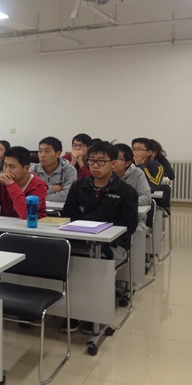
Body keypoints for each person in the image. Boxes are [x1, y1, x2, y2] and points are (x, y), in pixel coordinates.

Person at [61, 141, 138, 333]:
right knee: (62, 258)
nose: (95, 165)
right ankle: (71, 310)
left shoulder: (126, 191)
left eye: (101, 161)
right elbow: (68, 215)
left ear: (113, 164)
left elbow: (129, 226)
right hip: (79, 241)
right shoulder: (78, 186)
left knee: (93, 263)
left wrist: (98, 230)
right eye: (91, 161)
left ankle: (94, 314)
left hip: (113, 245)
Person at [0, 146, 48, 219]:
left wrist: (12, 186)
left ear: (26, 168)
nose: (7, 170)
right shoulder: (2, 182)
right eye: (5, 165)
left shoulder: (38, 186)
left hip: (34, 225)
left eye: (12, 167)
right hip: (6, 225)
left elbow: (26, 214)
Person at [113, 143, 151, 229]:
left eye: (117, 158)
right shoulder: (106, 174)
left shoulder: (137, 173)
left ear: (127, 163)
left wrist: (124, 204)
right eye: (111, 157)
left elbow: (146, 198)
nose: (113, 161)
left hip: (134, 217)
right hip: (109, 217)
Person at [29, 137, 77, 202]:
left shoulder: (69, 170)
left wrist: (39, 194)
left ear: (58, 154)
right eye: (40, 151)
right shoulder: (34, 169)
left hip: (61, 207)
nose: (42, 155)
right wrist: (52, 189)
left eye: (47, 151)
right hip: (38, 207)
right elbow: (28, 193)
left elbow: (68, 195)